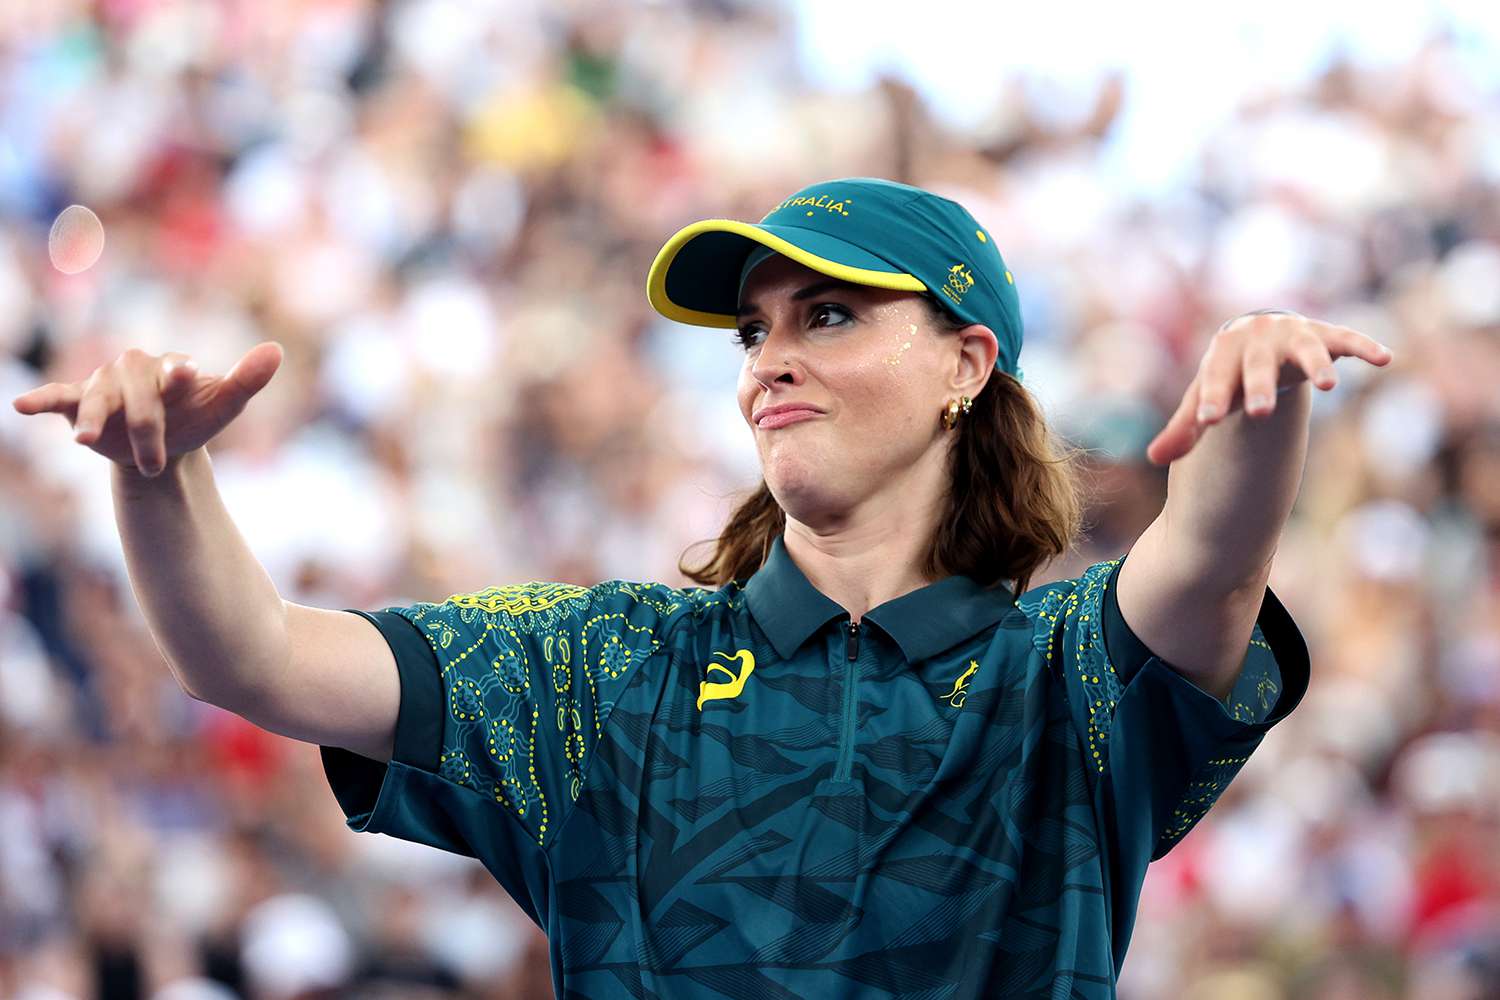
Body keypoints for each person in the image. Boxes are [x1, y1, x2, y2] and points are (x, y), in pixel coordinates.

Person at [11, 175, 1396, 998]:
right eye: (753, 330)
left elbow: (1209, 572)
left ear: (971, 366)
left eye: (831, 316)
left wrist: (1263, 393)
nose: (767, 361)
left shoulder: (1064, 672)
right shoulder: (603, 668)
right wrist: (156, 476)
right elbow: (253, 657)